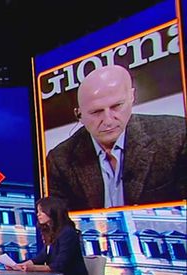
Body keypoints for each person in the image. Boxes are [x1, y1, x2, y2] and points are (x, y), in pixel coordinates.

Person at [47, 65, 187, 212]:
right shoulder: (60, 160)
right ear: (79, 114)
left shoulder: (177, 136)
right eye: (96, 112)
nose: (108, 121)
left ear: (132, 97)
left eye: (116, 106)